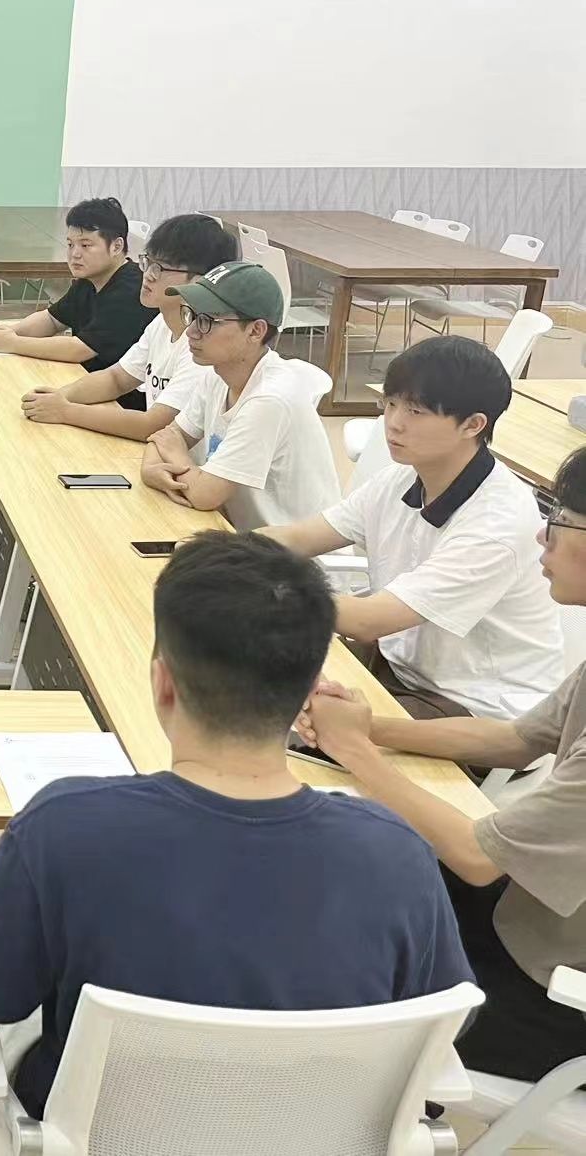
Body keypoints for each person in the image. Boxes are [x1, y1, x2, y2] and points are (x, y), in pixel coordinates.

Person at [0, 531, 471, 1151]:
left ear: (162, 683)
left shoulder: (65, 828)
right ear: (310, 691)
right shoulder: (397, 854)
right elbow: (439, 1036)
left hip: (95, 1138)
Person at [298, 442, 586, 1088]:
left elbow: (479, 856)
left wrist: (356, 752)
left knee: (333, 979)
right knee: (357, 874)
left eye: (560, 519)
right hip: (526, 916)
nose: (542, 534)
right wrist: (372, 727)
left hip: (556, 995)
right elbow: (514, 739)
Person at [264, 336, 563, 720]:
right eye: (390, 403)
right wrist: (220, 554)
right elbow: (297, 538)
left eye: (416, 411)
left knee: (283, 719)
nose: (394, 423)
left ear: (473, 425)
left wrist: (262, 587)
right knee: (249, 670)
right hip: (399, 665)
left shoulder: (497, 524)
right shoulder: (402, 478)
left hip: (475, 706)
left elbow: (367, 621)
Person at [141, 260, 340, 530]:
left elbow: (204, 495)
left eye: (207, 321)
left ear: (255, 331)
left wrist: (176, 456)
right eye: (191, 316)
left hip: (289, 552)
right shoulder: (217, 373)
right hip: (238, 534)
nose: (191, 331)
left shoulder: (269, 399)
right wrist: (151, 469)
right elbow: (165, 436)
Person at [20, 214, 237, 440]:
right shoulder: (161, 323)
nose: (148, 275)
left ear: (201, 281)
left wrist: (65, 411)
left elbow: (153, 425)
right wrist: (60, 397)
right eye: (148, 262)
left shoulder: (202, 345)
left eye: (161, 268)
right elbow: (116, 378)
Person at [0, 197, 148, 408]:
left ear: (116, 246)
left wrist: (14, 343)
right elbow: (52, 319)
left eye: (86, 245)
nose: (74, 254)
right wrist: (10, 331)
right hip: (83, 381)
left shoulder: (131, 290)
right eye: (70, 244)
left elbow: (80, 349)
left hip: (120, 402)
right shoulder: (90, 278)